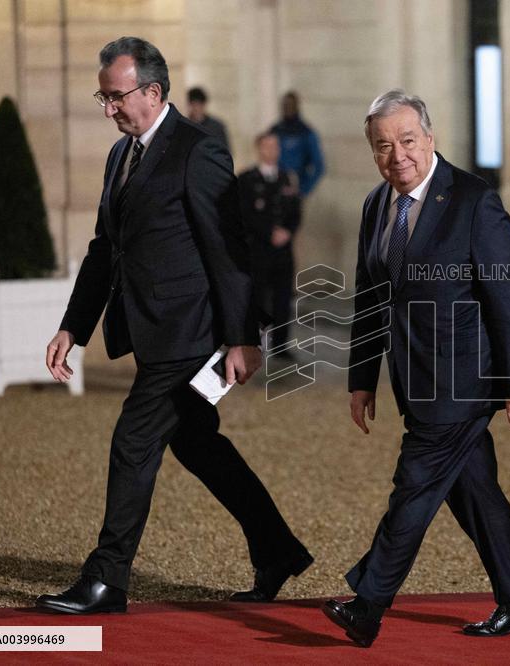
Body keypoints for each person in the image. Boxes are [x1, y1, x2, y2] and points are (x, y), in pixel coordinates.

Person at [40, 36, 312, 615]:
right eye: (103, 97)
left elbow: (228, 248)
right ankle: (277, 549)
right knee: (197, 443)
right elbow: (103, 249)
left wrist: (243, 336)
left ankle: (107, 579)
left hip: (190, 335)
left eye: (115, 97)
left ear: (153, 90)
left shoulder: (199, 150)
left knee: (134, 441)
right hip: (151, 329)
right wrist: (74, 327)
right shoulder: (122, 155)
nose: (108, 107)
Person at [321, 90, 510, 647]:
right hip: (413, 378)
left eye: (406, 141)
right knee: (474, 489)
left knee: (414, 487)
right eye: (383, 146)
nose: (397, 155)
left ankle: (368, 605)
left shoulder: (474, 200)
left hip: (464, 381)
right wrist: (360, 379)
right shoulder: (378, 205)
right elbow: (371, 300)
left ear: (430, 139)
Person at [238, 132, 302, 352]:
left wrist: (287, 232)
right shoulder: (246, 179)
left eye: (275, 146)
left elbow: (296, 212)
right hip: (259, 249)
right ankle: (252, 342)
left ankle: (281, 344)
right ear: (259, 149)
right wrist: (268, 233)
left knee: (283, 298)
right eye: (267, 146)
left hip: (283, 251)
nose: (271, 150)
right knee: (256, 296)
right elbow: (244, 214)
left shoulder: (287, 178)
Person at [269, 91, 324, 197]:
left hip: (296, 186)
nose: (287, 108)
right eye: (285, 105)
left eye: (290, 105)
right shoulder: (274, 131)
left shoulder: (306, 133)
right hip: (274, 187)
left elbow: (319, 165)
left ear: (296, 106)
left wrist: (304, 189)